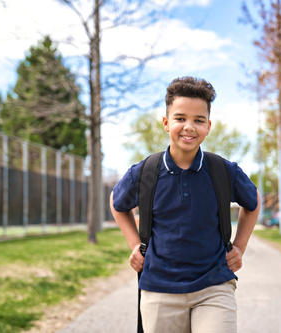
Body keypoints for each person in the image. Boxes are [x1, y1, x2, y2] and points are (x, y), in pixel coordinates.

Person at [110, 76, 260, 333]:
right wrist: (136, 245)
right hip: (159, 288)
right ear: (166, 123)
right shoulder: (145, 172)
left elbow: (253, 202)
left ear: (209, 126)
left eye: (198, 120)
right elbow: (117, 204)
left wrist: (240, 247)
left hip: (214, 285)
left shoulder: (223, 171)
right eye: (180, 118)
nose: (189, 127)